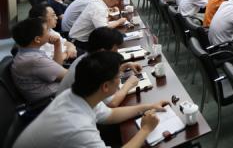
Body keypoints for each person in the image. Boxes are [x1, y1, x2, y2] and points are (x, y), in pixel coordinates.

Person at [13, 51, 169, 148]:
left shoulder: (77, 95)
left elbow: (111, 115)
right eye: (118, 76)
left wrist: (149, 106)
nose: (121, 78)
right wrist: (145, 129)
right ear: (105, 86)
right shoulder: (78, 128)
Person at [57, 27, 142, 108]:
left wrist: (124, 67)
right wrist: (129, 84)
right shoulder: (91, 69)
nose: (117, 52)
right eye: (115, 49)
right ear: (103, 51)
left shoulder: (87, 59)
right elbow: (112, 103)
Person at [11, 17, 68, 102]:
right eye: (47, 30)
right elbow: (69, 76)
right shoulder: (35, 60)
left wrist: (57, 45)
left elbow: (57, 66)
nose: (50, 32)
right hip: (52, 100)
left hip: (54, 93)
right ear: (37, 39)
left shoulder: (26, 52)